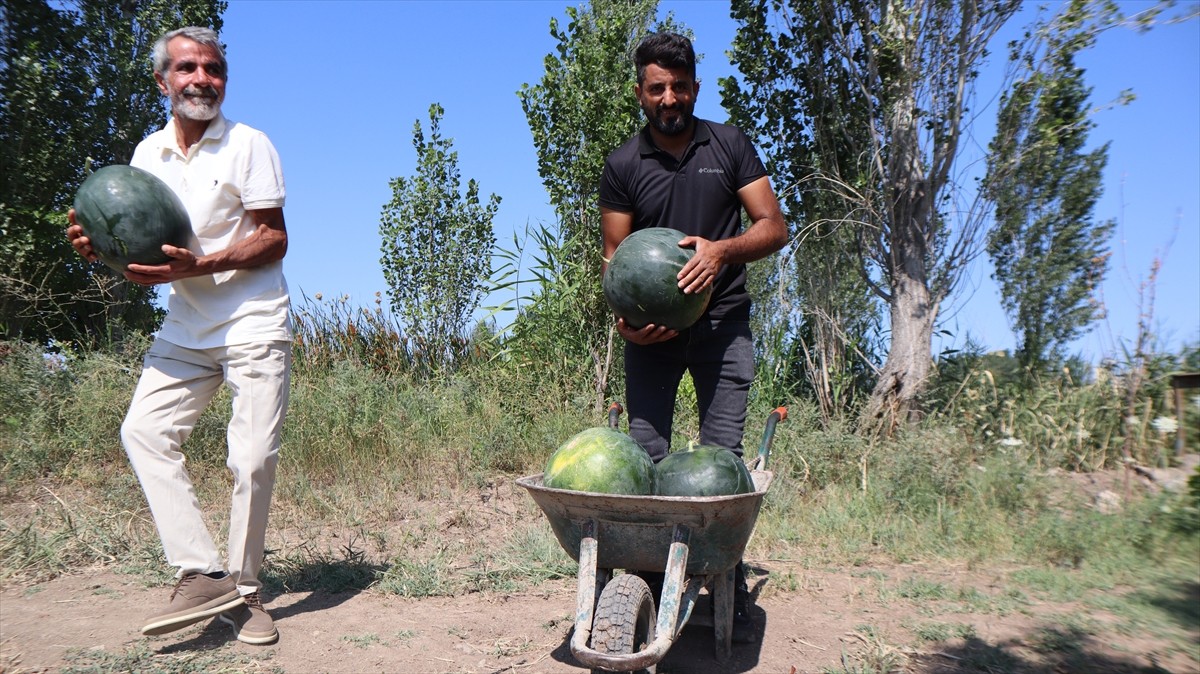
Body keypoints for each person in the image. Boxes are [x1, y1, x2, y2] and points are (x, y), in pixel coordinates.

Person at [66, 26, 290, 645]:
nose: (202, 80)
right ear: (163, 81)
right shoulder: (146, 156)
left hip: (252, 319)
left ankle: (246, 593)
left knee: (251, 458)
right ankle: (203, 572)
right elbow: (142, 254)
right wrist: (99, 250)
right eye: (187, 68)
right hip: (187, 325)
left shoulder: (249, 144)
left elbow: (274, 238)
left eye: (213, 69)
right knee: (143, 432)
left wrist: (202, 265)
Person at [598, 32, 789, 643]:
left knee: (720, 463)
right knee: (646, 459)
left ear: (695, 88)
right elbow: (614, 261)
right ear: (640, 92)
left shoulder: (728, 145)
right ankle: (650, 578)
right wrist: (626, 323)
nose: (669, 98)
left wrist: (720, 252)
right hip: (651, 339)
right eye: (657, 88)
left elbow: (774, 226)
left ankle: (715, 576)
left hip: (723, 327)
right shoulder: (623, 165)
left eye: (679, 87)